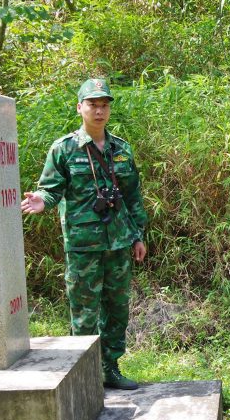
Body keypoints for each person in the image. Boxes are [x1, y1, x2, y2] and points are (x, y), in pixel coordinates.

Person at [21, 79, 148, 390]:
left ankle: (110, 369)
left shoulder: (121, 148)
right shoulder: (63, 149)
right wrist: (41, 200)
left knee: (117, 309)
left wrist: (137, 236)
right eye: (93, 104)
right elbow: (50, 191)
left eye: (104, 104)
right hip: (83, 246)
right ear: (80, 108)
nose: (99, 110)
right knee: (85, 313)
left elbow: (132, 197)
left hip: (119, 243)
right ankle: (85, 376)